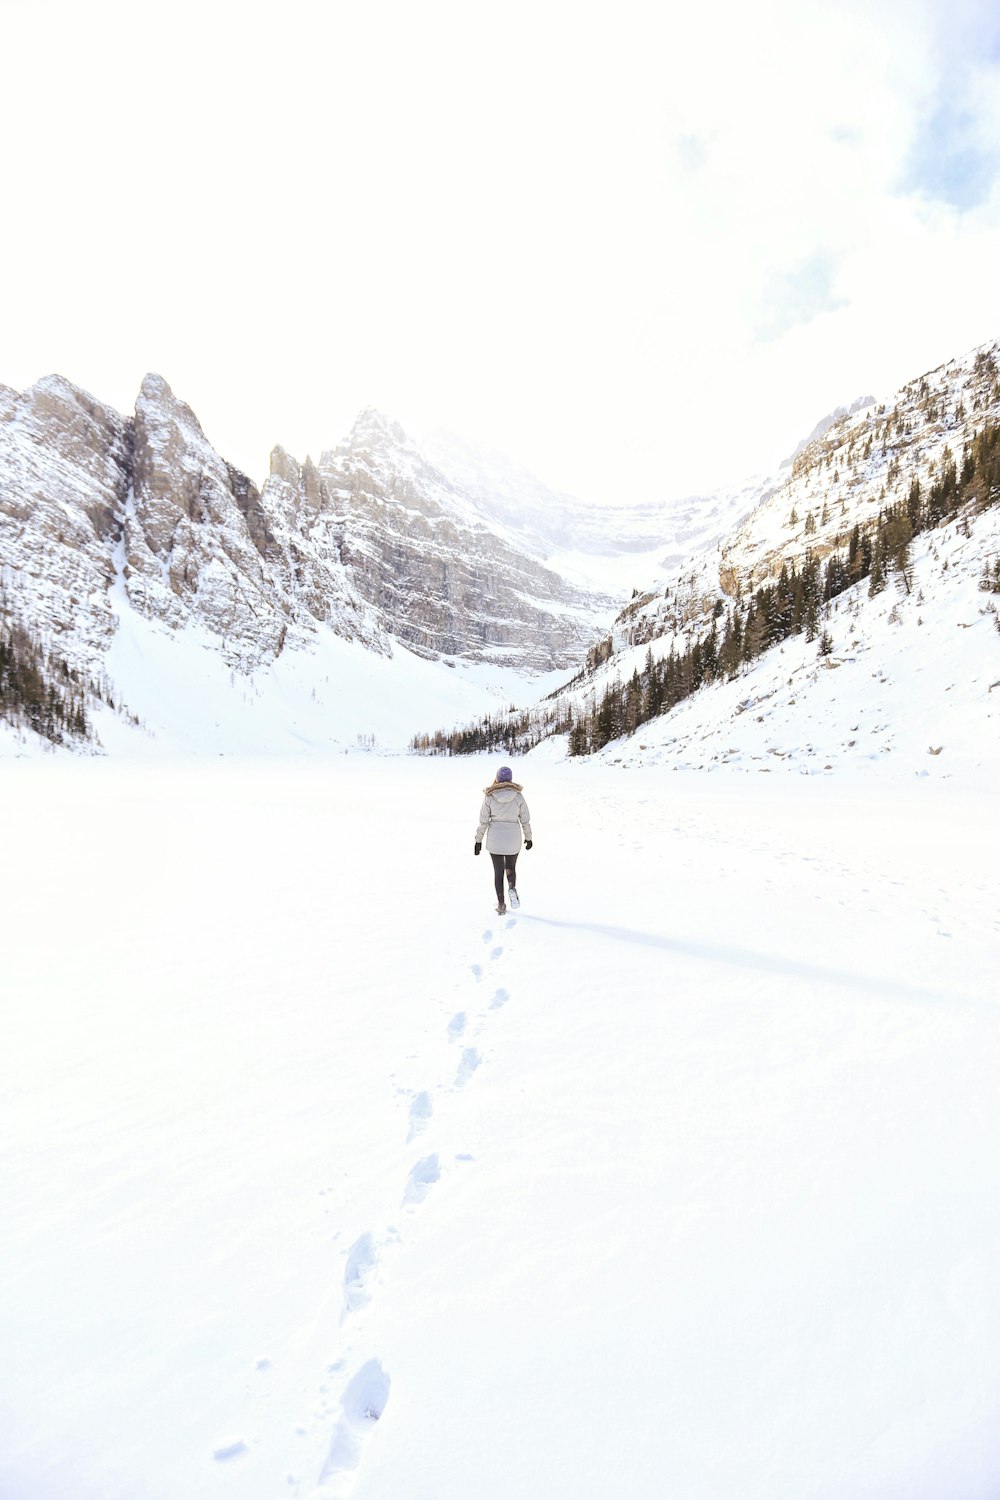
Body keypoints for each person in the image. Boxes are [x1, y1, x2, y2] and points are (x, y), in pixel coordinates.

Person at [474, 765, 532, 915]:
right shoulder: (518, 796)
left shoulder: (489, 797)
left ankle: (501, 904)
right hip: (513, 838)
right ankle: (511, 887)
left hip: (495, 839)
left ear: (497, 779)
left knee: (498, 871)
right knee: (511, 868)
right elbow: (525, 819)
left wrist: (478, 841)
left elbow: (483, 821)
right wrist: (529, 837)